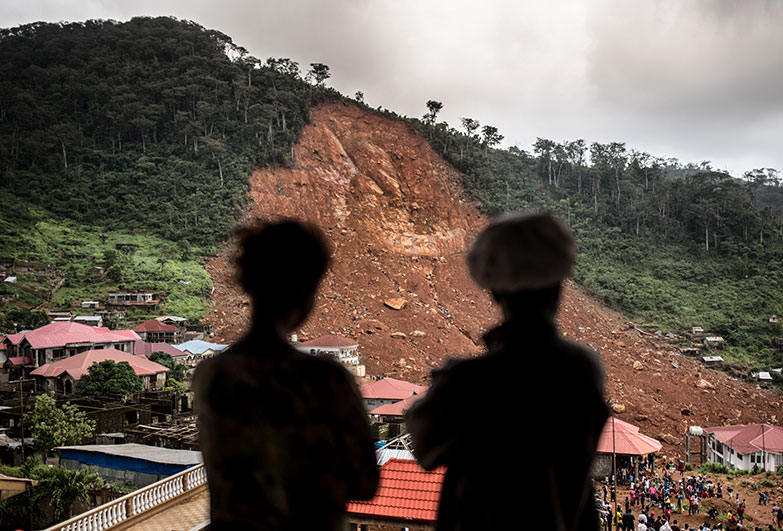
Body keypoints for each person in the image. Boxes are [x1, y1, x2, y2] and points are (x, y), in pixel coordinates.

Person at [406, 213, 608, 530]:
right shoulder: (585, 368)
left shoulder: (470, 381)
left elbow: (423, 445)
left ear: (495, 293)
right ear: (558, 287)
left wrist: (447, 381)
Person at [194, 220, 379, 530]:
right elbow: (364, 484)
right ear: (306, 292)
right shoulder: (326, 379)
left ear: (249, 282)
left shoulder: (212, 374)